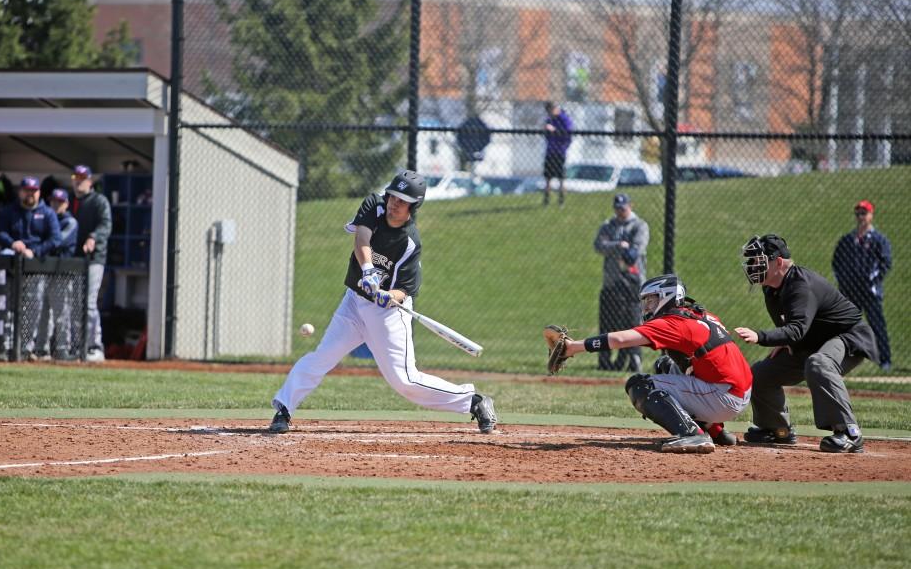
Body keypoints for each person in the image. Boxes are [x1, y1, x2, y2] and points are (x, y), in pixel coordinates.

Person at [268, 169, 497, 434]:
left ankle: (474, 402)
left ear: (413, 205)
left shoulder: (410, 243)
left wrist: (388, 296)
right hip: (354, 303)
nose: (393, 203)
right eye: (392, 196)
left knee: (405, 380)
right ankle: (283, 409)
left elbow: (405, 290)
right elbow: (362, 238)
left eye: (401, 200)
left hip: (388, 314)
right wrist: (368, 271)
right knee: (322, 356)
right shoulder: (374, 206)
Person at [544, 274, 751, 453]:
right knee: (665, 365)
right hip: (737, 389)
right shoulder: (700, 315)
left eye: (651, 300)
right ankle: (716, 431)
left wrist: (573, 347)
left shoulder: (672, 323)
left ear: (668, 297)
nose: (647, 306)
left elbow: (620, 340)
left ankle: (693, 434)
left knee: (640, 385)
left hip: (724, 395)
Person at [734, 234, 879, 453]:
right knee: (760, 373)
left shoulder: (801, 284)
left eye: (759, 260)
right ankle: (776, 429)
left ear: (779, 262)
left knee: (819, 363)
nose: (753, 266)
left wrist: (761, 336)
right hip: (813, 342)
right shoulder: (771, 288)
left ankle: (849, 432)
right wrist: (784, 339)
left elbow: (796, 329)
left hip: (849, 337)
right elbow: (793, 327)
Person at [0, 176, 62, 359]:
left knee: (32, 307)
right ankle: (6, 346)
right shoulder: (10, 210)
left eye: (33, 191)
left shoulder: (47, 213)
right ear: (20, 191)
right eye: (27, 190)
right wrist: (12, 243)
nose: (30, 194)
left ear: (39, 192)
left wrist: (35, 251)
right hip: (11, 266)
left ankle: (25, 348)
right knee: (7, 305)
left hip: (35, 266)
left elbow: (56, 239)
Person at [831, 200, 893, 372]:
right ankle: (846, 357)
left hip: (870, 291)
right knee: (847, 324)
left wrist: (873, 280)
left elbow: (886, 262)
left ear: (871, 215)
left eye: (864, 213)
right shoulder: (847, 240)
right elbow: (837, 263)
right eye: (858, 213)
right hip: (850, 291)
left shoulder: (878, 240)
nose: (861, 217)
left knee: (877, 324)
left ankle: (885, 360)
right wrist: (844, 281)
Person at [593, 193, 649, 372]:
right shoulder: (608, 225)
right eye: (617, 208)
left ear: (630, 206)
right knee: (607, 323)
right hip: (611, 282)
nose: (620, 211)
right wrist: (619, 245)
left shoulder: (639, 225)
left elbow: (634, 253)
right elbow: (598, 245)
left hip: (633, 284)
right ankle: (605, 361)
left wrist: (616, 247)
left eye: (623, 208)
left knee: (631, 323)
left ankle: (633, 359)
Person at [71, 165, 112, 362]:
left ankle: (95, 346)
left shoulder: (98, 201)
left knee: (88, 303)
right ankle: (77, 346)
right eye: (75, 177)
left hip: (94, 258)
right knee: (74, 304)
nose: (79, 181)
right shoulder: (71, 202)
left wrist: (93, 237)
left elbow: (106, 225)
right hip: (74, 260)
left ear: (90, 181)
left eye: (82, 178)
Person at [34, 189, 79, 360]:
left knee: (61, 313)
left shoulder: (70, 221)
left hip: (61, 271)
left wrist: (40, 245)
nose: (56, 205)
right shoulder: (45, 219)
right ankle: (41, 349)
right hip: (44, 270)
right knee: (42, 312)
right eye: (53, 201)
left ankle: (62, 349)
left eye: (60, 202)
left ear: (66, 204)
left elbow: (57, 241)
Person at [542, 102, 574, 207]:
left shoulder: (564, 119)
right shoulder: (549, 120)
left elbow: (567, 135)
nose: (549, 113)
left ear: (555, 108)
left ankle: (561, 201)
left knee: (561, 178)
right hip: (550, 151)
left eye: (550, 110)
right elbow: (546, 135)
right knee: (548, 178)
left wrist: (554, 130)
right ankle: (546, 200)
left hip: (560, 151)